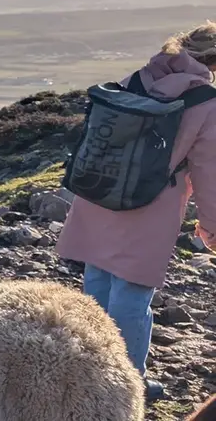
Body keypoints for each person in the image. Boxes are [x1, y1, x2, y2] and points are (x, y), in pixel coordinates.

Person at [58, 21, 216, 401]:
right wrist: (211, 226)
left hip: (102, 191)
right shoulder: (205, 100)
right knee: (132, 293)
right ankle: (126, 383)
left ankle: (89, 371)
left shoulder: (141, 76)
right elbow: (209, 170)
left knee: (97, 281)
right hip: (150, 202)